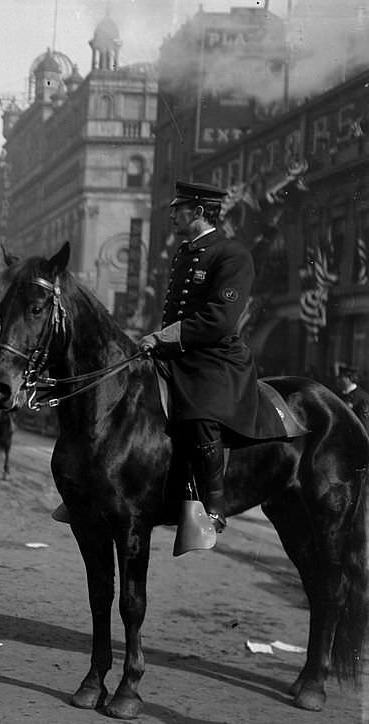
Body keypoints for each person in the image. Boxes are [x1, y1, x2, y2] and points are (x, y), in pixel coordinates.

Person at [139, 180, 261, 535]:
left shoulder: (231, 255)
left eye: (179, 209)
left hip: (214, 356)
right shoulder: (187, 252)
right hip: (178, 351)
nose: (173, 215)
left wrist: (164, 337)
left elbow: (219, 320)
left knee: (199, 414)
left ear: (200, 212)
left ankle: (212, 505)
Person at [336, 365, 369, 431]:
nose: (338, 381)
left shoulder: (362, 398)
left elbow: (364, 426)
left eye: (341, 377)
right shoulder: (339, 395)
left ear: (349, 378)